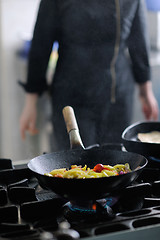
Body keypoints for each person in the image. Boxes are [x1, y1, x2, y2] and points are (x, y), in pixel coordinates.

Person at [19, 0, 159, 151]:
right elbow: (41, 43)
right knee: (72, 166)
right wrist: (30, 103)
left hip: (117, 99)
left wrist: (146, 91)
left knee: (117, 164)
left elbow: (139, 40)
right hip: (71, 100)